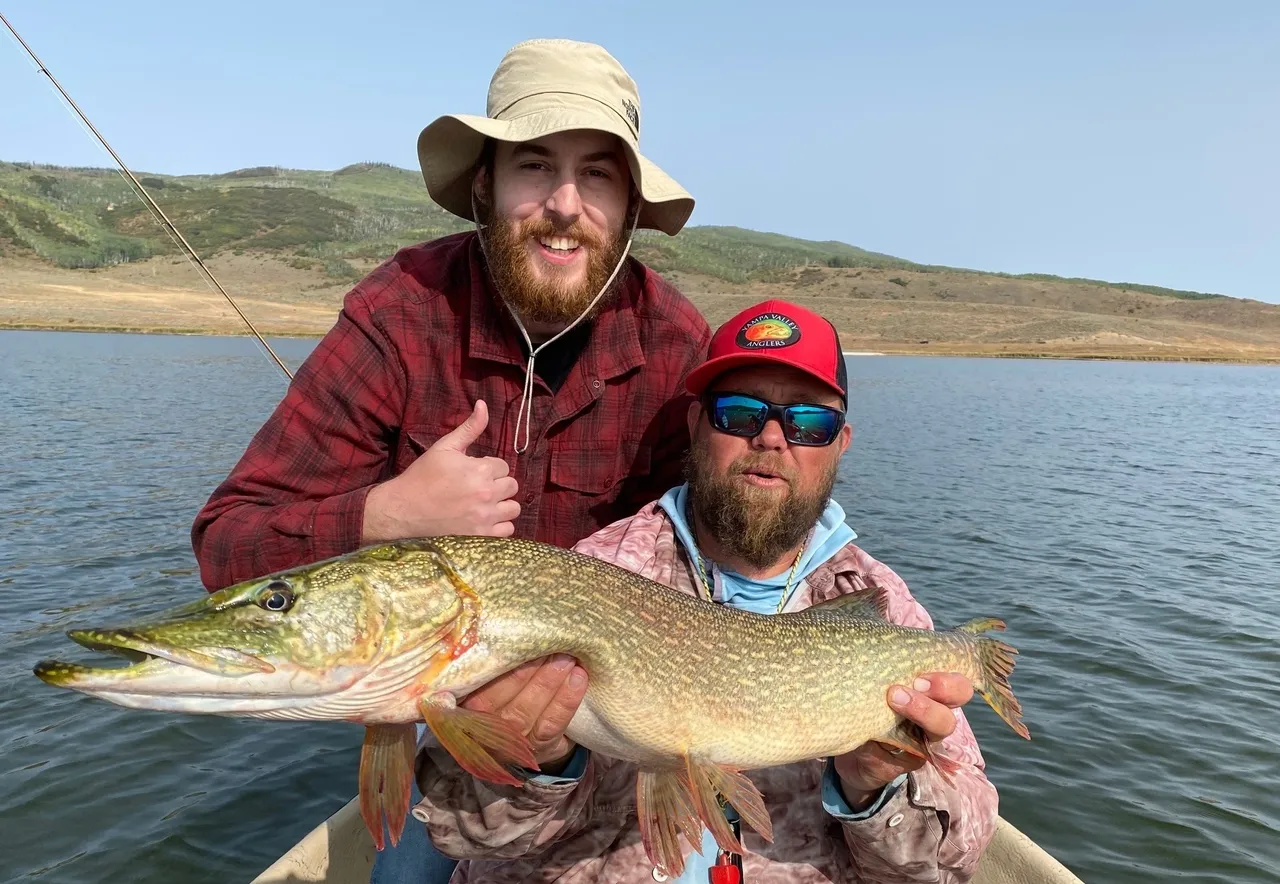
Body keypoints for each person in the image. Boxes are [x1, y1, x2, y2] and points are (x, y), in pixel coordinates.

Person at [188, 38, 711, 884]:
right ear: (485, 185)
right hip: (432, 705)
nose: (565, 205)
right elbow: (227, 543)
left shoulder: (678, 345)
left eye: (599, 175)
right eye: (535, 166)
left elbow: (723, 559)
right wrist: (385, 517)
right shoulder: (400, 312)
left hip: (612, 715)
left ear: (629, 208)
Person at [411, 299, 1001, 883]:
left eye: (808, 423)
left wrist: (879, 786)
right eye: (740, 414)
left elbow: (950, 864)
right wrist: (536, 762)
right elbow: (459, 831)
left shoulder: (881, 601)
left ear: (840, 443)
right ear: (696, 423)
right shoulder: (590, 576)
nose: (772, 439)